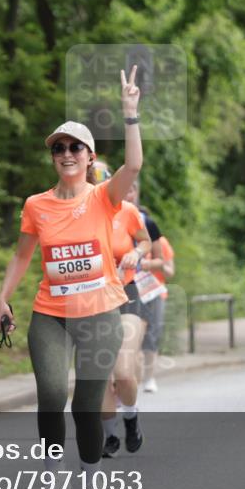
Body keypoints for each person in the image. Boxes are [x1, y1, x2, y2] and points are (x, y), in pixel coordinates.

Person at [0, 66, 142, 489]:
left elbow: (134, 165)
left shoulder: (103, 197)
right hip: (51, 314)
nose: (66, 153)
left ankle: (93, 481)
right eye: (58, 148)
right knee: (53, 395)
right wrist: (3, 297)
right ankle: (50, 475)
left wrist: (130, 113)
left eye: (75, 146)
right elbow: (22, 256)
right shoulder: (35, 205)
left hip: (100, 313)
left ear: (90, 156)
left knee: (86, 405)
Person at [97, 170, 162, 458]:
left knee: (123, 371)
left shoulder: (127, 210)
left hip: (126, 293)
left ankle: (131, 418)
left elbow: (145, 241)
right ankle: (110, 435)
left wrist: (136, 253)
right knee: (100, 375)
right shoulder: (74, 215)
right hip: (92, 301)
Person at [124, 180, 175, 394]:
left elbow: (166, 266)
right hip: (127, 286)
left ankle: (149, 378)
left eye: (131, 190)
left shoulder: (152, 229)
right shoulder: (112, 220)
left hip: (151, 289)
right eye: (124, 190)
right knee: (133, 335)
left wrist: (146, 263)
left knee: (150, 336)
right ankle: (131, 381)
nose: (127, 194)